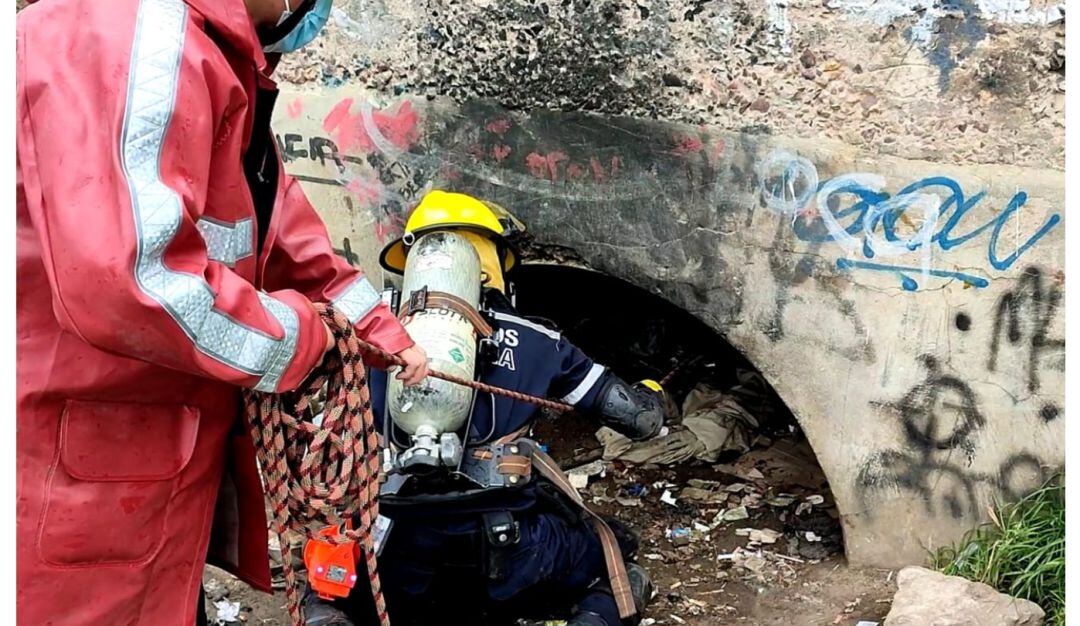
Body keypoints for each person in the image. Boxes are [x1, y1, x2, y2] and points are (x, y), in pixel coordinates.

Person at [15, 0, 428, 624]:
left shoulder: (218, 60)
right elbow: (131, 279)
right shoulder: (131, 34)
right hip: (66, 453)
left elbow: (277, 233)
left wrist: (382, 334)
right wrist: (300, 343)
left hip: (138, 456)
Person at [303, 191, 665, 626]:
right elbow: (639, 420)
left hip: (396, 558)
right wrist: (652, 396)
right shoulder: (537, 338)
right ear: (492, 263)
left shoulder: (363, 330)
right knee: (615, 554)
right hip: (510, 557)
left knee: (324, 587)